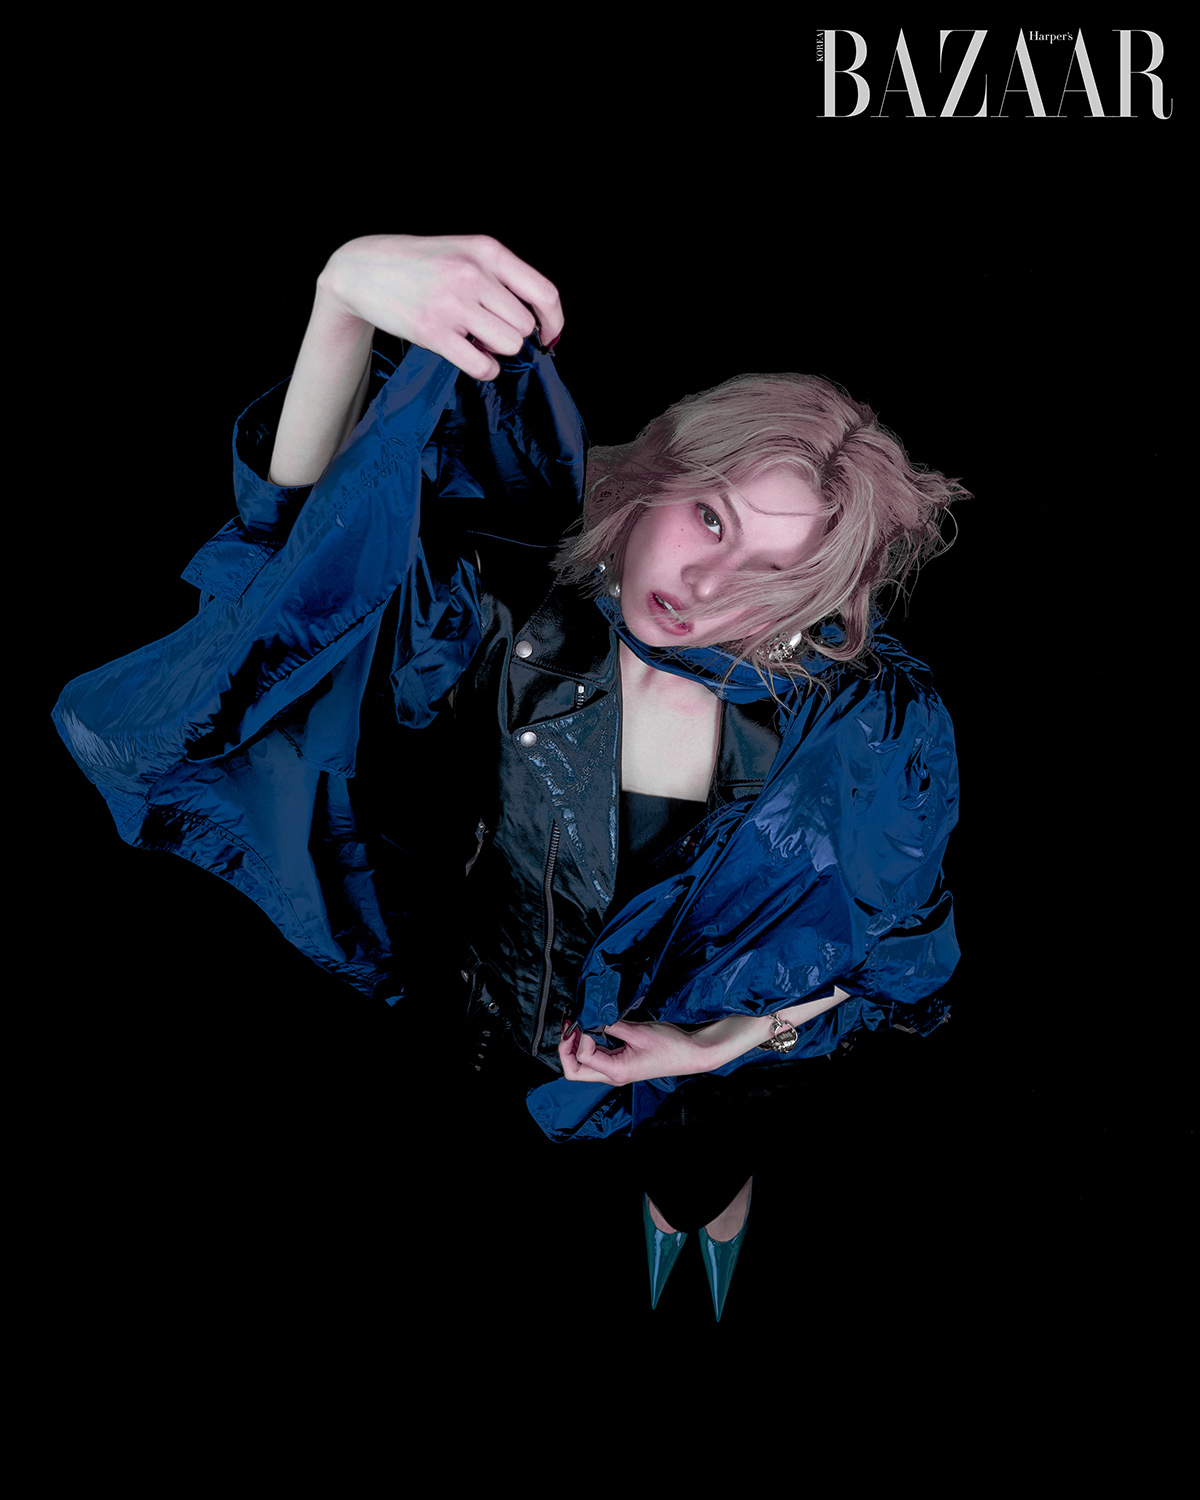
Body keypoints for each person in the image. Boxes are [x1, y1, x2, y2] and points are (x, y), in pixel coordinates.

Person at [52, 233, 964, 1320]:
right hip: (488, 1050)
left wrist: (710, 1046)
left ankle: (704, 1254)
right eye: (710, 518)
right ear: (658, 478)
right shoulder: (506, 613)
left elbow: (892, 951)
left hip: (715, 1082)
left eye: (771, 573)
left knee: (700, 1190)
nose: (706, 586)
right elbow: (306, 558)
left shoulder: (870, 725)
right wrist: (342, 296)